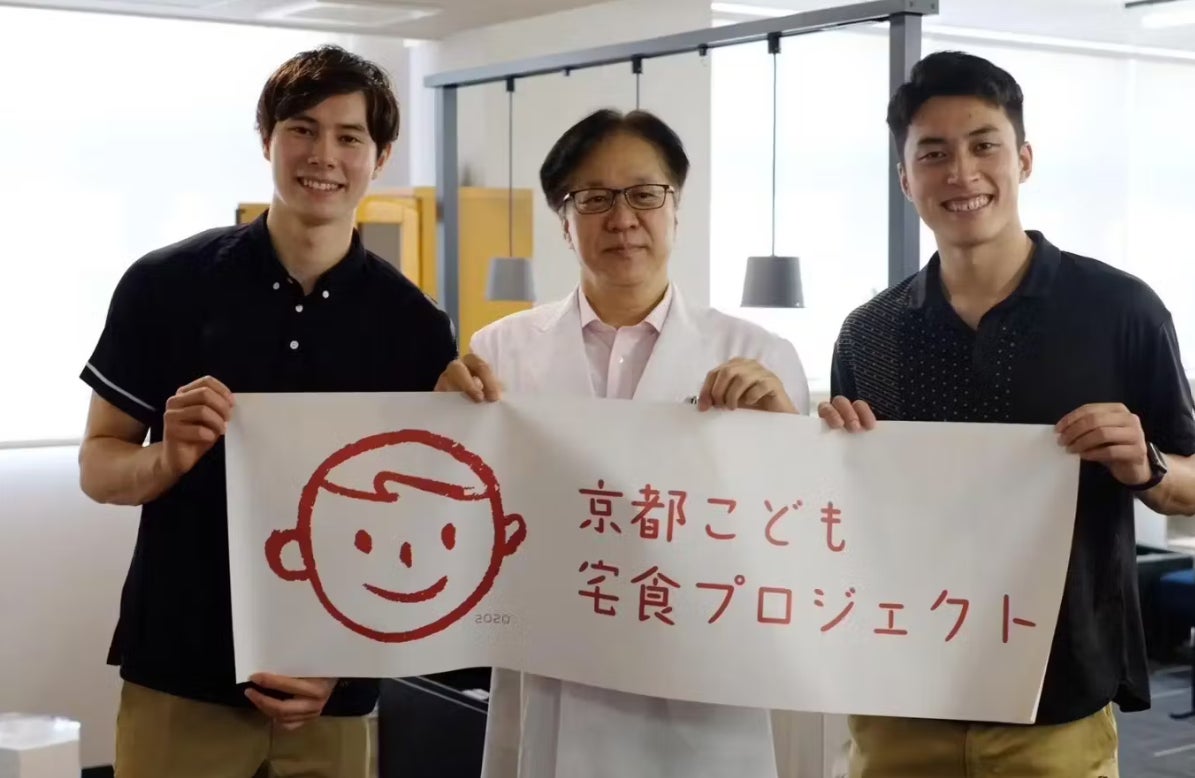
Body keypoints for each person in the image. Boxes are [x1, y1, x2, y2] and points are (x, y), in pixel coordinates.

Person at [77, 45, 456, 777]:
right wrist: (165, 459)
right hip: (182, 673)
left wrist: (344, 663)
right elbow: (98, 466)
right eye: (302, 129)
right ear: (267, 140)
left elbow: (416, 523)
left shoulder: (415, 325)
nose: (324, 156)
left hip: (334, 691)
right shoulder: (165, 284)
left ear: (380, 157)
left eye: (349, 137)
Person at [819, 50, 1195, 778]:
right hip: (901, 692)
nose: (961, 173)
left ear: (1022, 159)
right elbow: (845, 512)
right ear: (905, 179)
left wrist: (1145, 464)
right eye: (933, 154)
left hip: (1055, 697)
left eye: (983, 145)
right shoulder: (867, 333)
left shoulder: (1120, 309)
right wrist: (822, 454)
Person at [434, 108, 810, 778]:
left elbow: (803, 535)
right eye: (594, 199)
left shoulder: (759, 355)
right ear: (563, 221)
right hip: (555, 676)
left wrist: (786, 436)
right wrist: (441, 429)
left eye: (644, 194)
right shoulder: (500, 351)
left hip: (702, 681)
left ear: (676, 207)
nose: (622, 218)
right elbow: (462, 517)